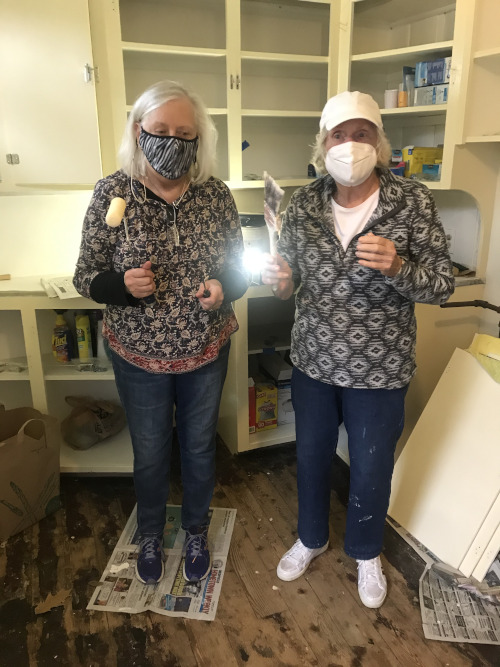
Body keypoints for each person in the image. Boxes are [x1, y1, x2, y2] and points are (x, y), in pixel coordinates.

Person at [261, 90, 454, 608]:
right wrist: (281, 281)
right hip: (315, 361)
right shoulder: (301, 204)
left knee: (371, 466)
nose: (350, 145)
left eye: (361, 134)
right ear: (322, 144)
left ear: (379, 143)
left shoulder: (410, 202)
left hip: (381, 367)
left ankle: (367, 551)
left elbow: (440, 286)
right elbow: (293, 281)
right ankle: (310, 537)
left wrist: (397, 266)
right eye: (338, 135)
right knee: (311, 457)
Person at [73, 80, 247, 585]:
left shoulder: (215, 195)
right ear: (138, 130)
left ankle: (195, 529)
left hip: (205, 349)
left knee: (197, 447)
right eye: (161, 130)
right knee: (149, 451)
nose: (173, 141)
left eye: (184, 132)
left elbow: (239, 268)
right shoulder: (114, 191)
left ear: (200, 139)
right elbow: (86, 275)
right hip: (139, 355)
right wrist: (122, 285)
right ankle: (150, 532)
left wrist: (224, 287)